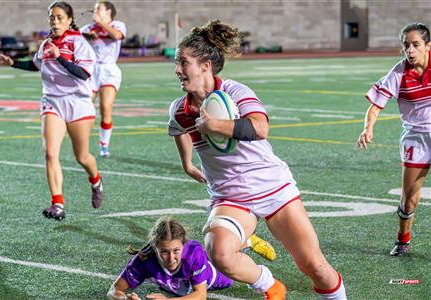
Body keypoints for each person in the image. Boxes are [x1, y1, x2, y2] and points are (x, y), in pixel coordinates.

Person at [168, 20, 347, 300]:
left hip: (273, 188)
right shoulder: (180, 109)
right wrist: (186, 163)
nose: (177, 70)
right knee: (220, 252)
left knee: (315, 266)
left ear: (206, 65)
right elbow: (178, 130)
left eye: (183, 62)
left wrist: (215, 125)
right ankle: (270, 286)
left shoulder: (236, 92)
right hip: (230, 197)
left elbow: (259, 128)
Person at [0, 1, 103, 220]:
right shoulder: (46, 43)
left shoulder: (78, 43)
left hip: (78, 102)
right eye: (52, 17)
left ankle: (96, 180)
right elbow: (36, 64)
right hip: (52, 101)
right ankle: (58, 203)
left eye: (60, 17)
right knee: (50, 153)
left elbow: (83, 74)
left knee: (82, 156)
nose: (55, 21)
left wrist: (60, 57)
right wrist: (12, 62)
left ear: (69, 20)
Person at [357, 22, 430, 256]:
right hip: (416, 140)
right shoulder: (398, 73)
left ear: (428, 46)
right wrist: (368, 128)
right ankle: (403, 240)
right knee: (409, 199)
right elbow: (375, 107)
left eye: (416, 45)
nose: (410, 50)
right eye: (406, 45)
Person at [107, 217, 233, 299]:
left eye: (176, 251)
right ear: (155, 248)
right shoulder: (145, 258)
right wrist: (124, 299)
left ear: (183, 245)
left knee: (230, 258)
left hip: (220, 275)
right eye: (164, 252)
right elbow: (114, 290)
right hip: (179, 288)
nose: (171, 258)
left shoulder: (194, 253)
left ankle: (246, 242)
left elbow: (200, 295)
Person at [81, 1, 126, 157]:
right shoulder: (87, 28)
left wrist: (101, 23)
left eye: (98, 9)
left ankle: (104, 146)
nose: (95, 12)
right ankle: (82, 143)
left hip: (109, 70)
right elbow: (74, 38)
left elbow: (117, 36)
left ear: (108, 12)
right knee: (85, 107)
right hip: (91, 70)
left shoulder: (118, 25)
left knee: (105, 107)